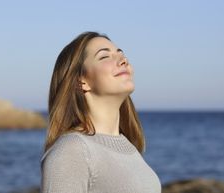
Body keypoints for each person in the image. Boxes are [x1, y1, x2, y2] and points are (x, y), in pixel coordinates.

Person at [40, 31, 162, 193]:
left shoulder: (130, 148)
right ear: (81, 81)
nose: (123, 60)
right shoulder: (72, 151)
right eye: (105, 57)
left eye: (121, 54)